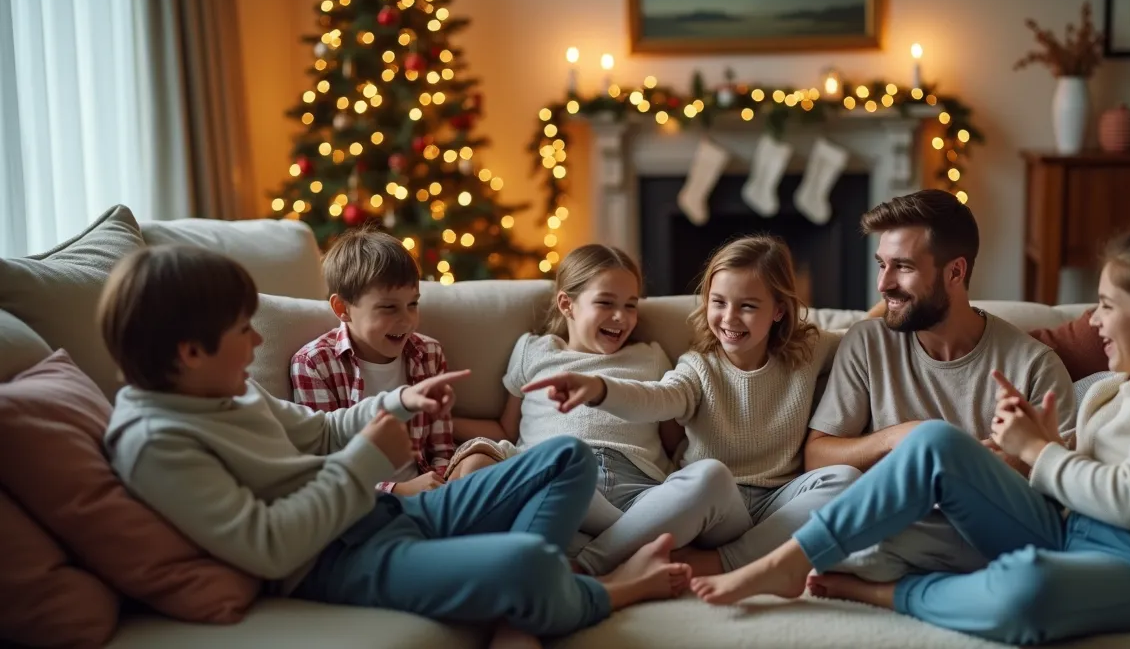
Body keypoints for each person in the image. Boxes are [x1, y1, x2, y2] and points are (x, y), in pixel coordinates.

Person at [689, 225, 1130, 646]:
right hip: (1071, 532)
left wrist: (1040, 451)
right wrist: (1036, 453)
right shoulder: (1120, 386)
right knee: (935, 444)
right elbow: (1082, 479)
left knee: (1027, 588)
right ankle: (790, 561)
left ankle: (887, 594)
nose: (1093, 321)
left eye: (1104, 306)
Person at [101, 244, 690, 644]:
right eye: (241, 330)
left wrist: (399, 401)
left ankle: (524, 595)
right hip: (335, 560)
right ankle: (605, 592)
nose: (257, 343)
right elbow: (271, 548)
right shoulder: (156, 444)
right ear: (190, 352)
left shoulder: (224, 389)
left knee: (567, 457)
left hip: (385, 513)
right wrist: (368, 459)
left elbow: (320, 430)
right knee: (527, 561)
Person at [525, 236, 859, 577]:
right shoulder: (697, 366)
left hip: (779, 501)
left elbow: (864, 334)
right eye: (719, 302)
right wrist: (601, 389)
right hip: (716, 509)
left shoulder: (810, 349)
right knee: (711, 474)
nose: (729, 318)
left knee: (846, 479)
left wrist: (889, 303)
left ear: (779, 310)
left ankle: (717, 563)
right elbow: (655, 398)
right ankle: (591, 565)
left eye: (747, 306)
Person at [803, 189, 1075, 582]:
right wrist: (898, 437)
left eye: (903, 267)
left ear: (955, 273)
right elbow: (817, 458)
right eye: (881, 264)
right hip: (893, 520)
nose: (883, 283)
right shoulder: (867, 343)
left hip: (983, 538)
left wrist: (1014, 463)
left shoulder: (1033, 365)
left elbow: (1065, 492)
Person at [451, 244, 747, 576]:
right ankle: (618, 553)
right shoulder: (534, 350)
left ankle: (589, 562)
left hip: (635, 496)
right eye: (606, 303)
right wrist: (442, 419)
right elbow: (505, 430)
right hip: (556, 480)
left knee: (711, 477)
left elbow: (673, 441)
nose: (621, 317)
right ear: (567, 304)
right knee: (476, 463)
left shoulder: (650, 356)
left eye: (630, 305)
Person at [290, 227, 492, 496]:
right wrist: (399, 489)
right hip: (366, 503)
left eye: (413, 304)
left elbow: (442, 447)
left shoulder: (428, 353)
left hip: (433, 493)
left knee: (485, 460)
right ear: (342, 308)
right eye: (389, 307)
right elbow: (325, 467)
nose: (407, 320)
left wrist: (442, 487)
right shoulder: (314, 364)